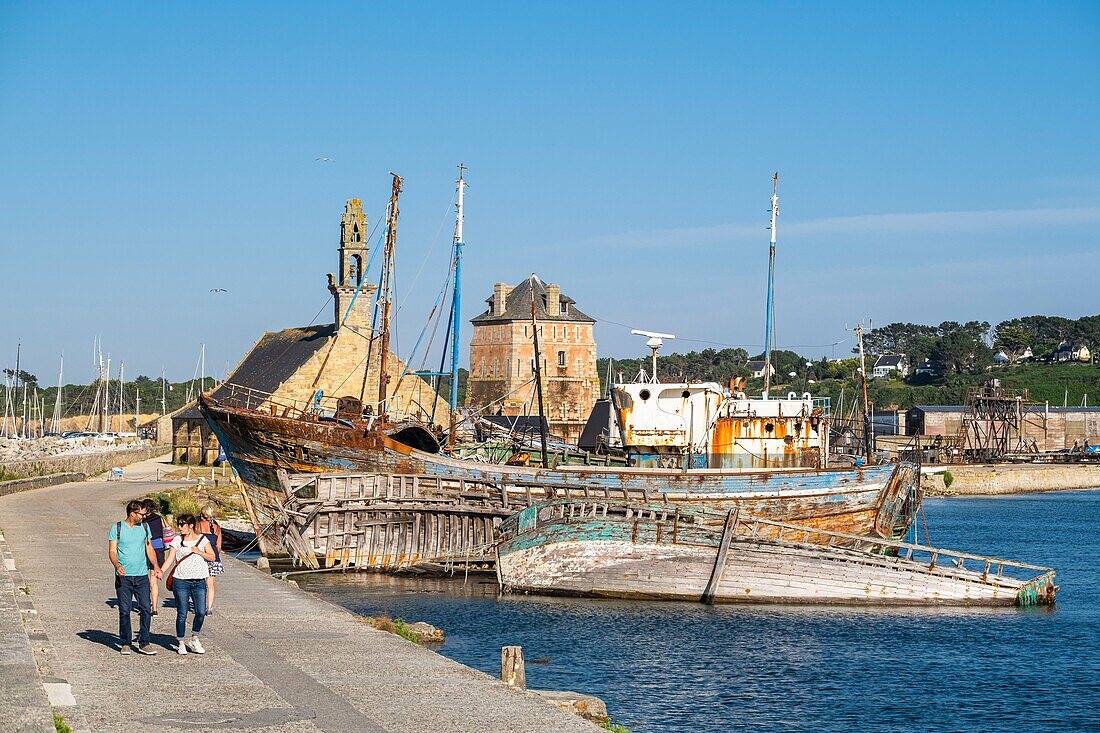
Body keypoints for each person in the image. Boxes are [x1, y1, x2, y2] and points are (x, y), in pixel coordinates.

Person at [107, 499, 162, 656]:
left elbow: (149, 548)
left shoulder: (144, 527)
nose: (144, 516)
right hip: (124, 577)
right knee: (125, 610)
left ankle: (144, 642)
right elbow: (112, 551)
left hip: (142, 576)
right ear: (132, 514)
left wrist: (156, 566)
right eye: (141, 514)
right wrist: (117, 566)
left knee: (146, 608)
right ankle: (125, 642)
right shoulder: (116, 528)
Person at [163, 514, 214, 655]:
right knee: (182, 613)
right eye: (178, 524)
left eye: (182, 524)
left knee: (200, 611)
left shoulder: (202, 540)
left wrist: (199, 552)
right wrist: (160, 571)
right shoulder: (177, 540)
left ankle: (194, 638)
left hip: (199, 581)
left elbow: (212, 556)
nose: (179, 527)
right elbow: (170, 559)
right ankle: (180, 642)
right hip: (181, 581)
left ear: (190, 526)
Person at [195, 503, 224, 613]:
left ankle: (200, 605)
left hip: (201, 557)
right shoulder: (217, 528)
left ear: (202, 515)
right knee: (211, 583)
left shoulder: (198, 526)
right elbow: (219, 546)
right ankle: (209, 607)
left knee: (200, 582)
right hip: (214, 558)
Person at [141, 498, 168, 616]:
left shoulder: (142, 520)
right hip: (159, 548)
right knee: (154, 580)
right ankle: (155, 608)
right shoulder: (159, 518)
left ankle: (146, 604)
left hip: (146, 547)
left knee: (143, 577)